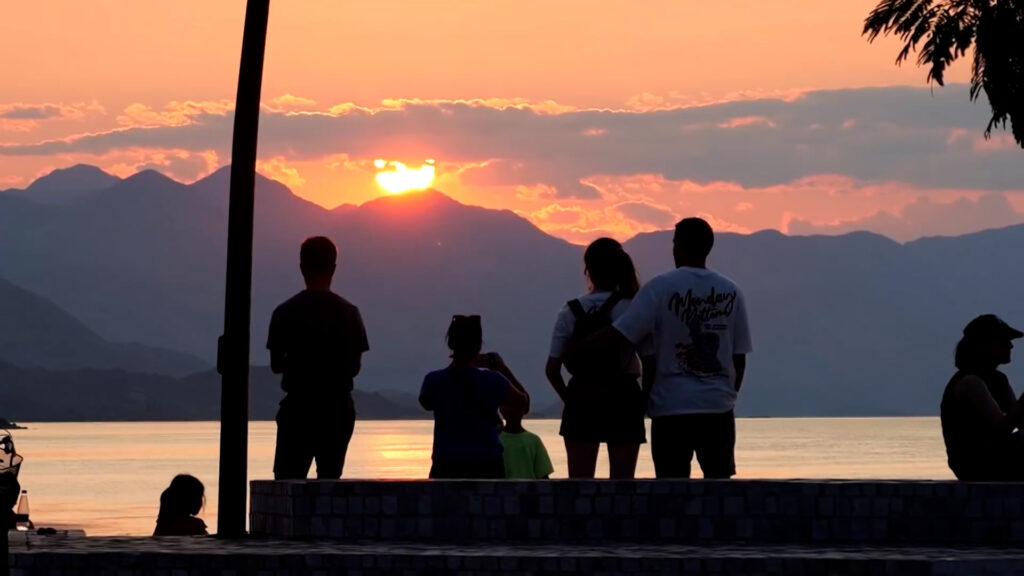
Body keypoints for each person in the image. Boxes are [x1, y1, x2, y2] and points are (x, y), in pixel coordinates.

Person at [591, 217, 752, 479]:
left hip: (671, 409)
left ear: (681, 246)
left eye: (675, 242)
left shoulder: (659, 288)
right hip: (718, 409)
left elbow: (621, 333)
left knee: (671, 492)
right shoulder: (731, 291)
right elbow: (739, 356)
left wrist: (576, 350)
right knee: (723, 493)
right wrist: (727, 395)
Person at [545, 238, 650, 479]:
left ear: (588, 270)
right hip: (623, 398)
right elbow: (649, 360)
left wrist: (570, 400)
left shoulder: (570, 310)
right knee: (623, 487)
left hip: (582, 398)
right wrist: (644, 402)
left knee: (579, 487)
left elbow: (552, 369)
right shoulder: (633, 307)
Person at [267, 236, 370, 480]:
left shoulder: (284, 312)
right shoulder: (350, 313)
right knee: (330, 483)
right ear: (334, 268)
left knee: (288, 482)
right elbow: (355, 368)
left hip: (298, 409)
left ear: (301, 267)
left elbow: (276, 365)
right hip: (337, 410)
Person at [420, 315, 529, 479]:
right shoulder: (493, 380)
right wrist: (502, 369)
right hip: (487, 466)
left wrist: (457, 363)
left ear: (451, 345)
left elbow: (425, 402)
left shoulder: (433, 381)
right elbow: (523, 403)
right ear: (478, 347)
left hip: (446, 467)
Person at [940, 314, 1024, 481]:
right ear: (983, 345)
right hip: (975, 465)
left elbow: (1020, 422)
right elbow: (1001, 428)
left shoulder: (1000, 380)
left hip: (999, 457)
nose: (1010, 346)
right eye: (1003, 341)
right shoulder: (970, 382)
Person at [499, 401, 554, 479]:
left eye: (517, 406)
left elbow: (543, 477)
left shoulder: (534, 441)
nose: (512, 410)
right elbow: (543, 477)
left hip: (526, 491)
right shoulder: (533, 440)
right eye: (509, 405)